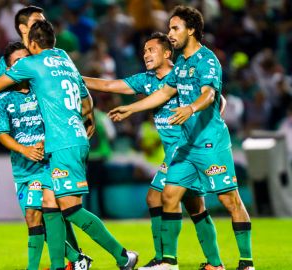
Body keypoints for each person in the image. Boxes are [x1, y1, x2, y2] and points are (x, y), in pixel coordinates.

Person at [109, 6, 254, 270]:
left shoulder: (207, 60)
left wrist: (190, 108)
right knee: (168, 195)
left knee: (229, 199)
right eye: (169, 28)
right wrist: (131, 107)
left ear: (192, 30)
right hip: (186, 147)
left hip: (211, 143)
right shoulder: (182, 65)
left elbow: (210, 94)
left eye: (175, 28)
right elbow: (163, 94)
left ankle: (246, 262)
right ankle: (169, 262)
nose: (170, 33)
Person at [0, 20, 138, 270]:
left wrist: (12, 71)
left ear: (33, 44)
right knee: (49, 205)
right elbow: (84, 97)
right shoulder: (63, 57)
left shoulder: (32, 64)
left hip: (63, 142)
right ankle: (60, 266)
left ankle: (123, 256)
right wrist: (88, 116)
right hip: (68, 139)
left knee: (70, 210)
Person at [83, 32, 225, 270]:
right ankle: (212, 263)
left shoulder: (183, 76)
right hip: (172, 151)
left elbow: (217, 100)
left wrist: (209, 125)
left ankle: (166, 260)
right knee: (194, 206)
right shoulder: (146, 80)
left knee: (159, 197)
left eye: (151, 50)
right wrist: (71, 76)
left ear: (167, 53)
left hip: (188, 150)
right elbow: (108, 85)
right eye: (144, 50)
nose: (146, 54)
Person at [0, 6, 93, 270]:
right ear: (24, 28)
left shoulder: (50, 55)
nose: (44, 24)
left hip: (50, 148)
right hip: (23, 159)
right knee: (39, 215)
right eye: (39, 21)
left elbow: (69, 91)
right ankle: (76, 258)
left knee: (52, 207)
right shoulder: (12, 61)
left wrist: (84, 115)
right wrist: (23, 147)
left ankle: (72, 260)